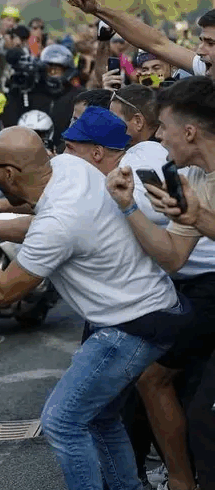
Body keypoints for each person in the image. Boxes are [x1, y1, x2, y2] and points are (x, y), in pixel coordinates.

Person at [0, 126, 192, 490]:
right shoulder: (70, 168)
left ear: (8, 174)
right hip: (151, 311)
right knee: (100, 416)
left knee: (63, 421)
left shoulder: (59, 223)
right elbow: (38, 217)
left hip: (132, 326)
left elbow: (4, 291)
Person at [104, 76, 215, 490]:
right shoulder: (195, 177)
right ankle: (181, 480)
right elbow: (171, 255)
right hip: (200, 294)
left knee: (205, 416)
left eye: (164, 128)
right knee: (152, 376)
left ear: (188, 131)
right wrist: (128, 205)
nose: (159, 137)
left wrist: (197, 218)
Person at [67, 0, 215, 80]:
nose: (199, 50)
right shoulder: (203, 68)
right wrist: (98, 9)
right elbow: (156, 43)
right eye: (201, 41)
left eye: (210, 43)